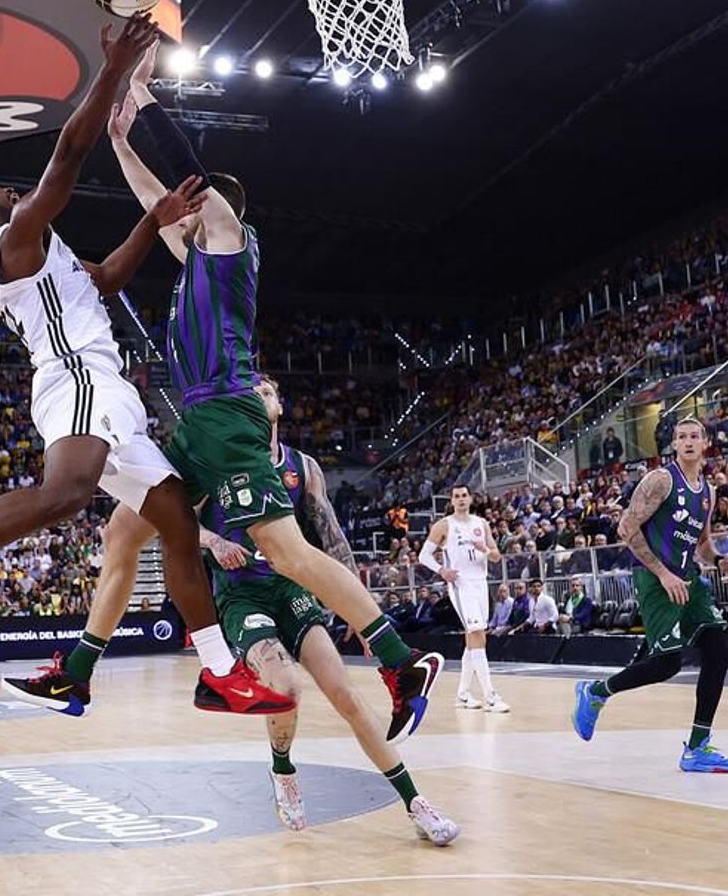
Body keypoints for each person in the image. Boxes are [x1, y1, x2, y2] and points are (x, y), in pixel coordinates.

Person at [0, 14, 286, 716]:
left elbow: (108, 277)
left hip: (106, 391)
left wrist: (155, 218)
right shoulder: (13, 242)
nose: (3, 187)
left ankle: (217, 671)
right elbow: (69, 152)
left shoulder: (43, 253)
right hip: (77, 379)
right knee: (64, 495)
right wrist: (112, 70)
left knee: (176, 520)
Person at [58, 46, 442, 745]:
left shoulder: (232, 240)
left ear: (217, 207)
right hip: (198, 423)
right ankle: (78, 670)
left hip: (227, 414)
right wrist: (117, 141)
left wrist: (141, 97)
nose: (181, 215)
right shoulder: (197, 257)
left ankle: (399, 660)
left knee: (288, 552)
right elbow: (157, 200)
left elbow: (184, 181)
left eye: (194, 205)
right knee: (123, 528)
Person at [194, 377, 459, 843]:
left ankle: (415, 802)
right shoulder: (218, 461)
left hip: (293, 590)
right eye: (249, 391)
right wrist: (213, 541)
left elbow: (334, 542)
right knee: (285, 686)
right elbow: (175, 525)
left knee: (346, 695)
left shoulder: (303, 467)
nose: (259, 396)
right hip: (242, 596)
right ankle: (283, 770)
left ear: (281, 405)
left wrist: (361, 614)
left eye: (267, 391)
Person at [572, 417, 728, 773]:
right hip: (655, 579)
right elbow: (626, 528)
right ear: (675, 445)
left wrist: (721, 560)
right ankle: (597, 692)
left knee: (717, 652)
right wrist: (663, 574)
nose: (689, 441)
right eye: (682, 436)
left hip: (688, 579)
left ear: (706, 442)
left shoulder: (708, 492)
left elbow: (703, 543)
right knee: (667, 663)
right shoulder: (661, 480)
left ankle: (697, 747)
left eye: (695, 436)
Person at [418, 484, 507, 712]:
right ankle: (490, 696)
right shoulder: (444, 525)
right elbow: (423, 555)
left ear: (470, 498)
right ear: (452, 500)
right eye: (456, 496)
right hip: (460, 584)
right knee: (477, 634)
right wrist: (441, 571)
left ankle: (463, 694)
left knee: (475, 636)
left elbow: (497, 557)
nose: (461, 499)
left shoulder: (482, 524)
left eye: (464, 495)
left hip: (480, 582)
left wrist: (485, 549)